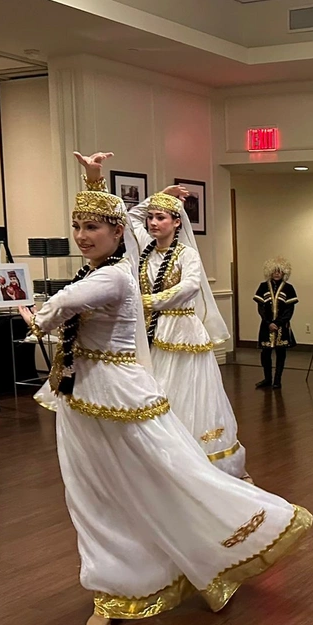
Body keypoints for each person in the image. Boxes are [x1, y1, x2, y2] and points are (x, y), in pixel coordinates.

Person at [19, 154, 311, 625]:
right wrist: (93, 180)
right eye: (76, 226)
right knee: (94, 494)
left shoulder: (113, 275)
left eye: (93, 226)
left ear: (116, 235)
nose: (82, 235)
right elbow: (127, 224)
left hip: (119, 395)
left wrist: (34, 314)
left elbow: (58, 310)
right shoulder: (126, 261)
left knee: (168, 475)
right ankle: (114, 585)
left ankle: (226, 540)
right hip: (80, 396)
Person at [113, 167, 250, 480]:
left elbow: (189, 286)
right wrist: (161, 194)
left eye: (161, 217)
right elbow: (132, 217)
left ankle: (197, 458)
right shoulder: (146, 249)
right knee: (157, 387)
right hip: (154, 330)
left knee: (188, 390)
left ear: (177, 222)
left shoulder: (186, 254)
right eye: (152, 217)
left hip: (182, 330)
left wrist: (150, 302)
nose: (153, 222)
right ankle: (160, 453)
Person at [253, 258, 297, 390]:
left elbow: (290, 310)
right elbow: (260, 307)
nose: (277, 274)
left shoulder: (289, 288)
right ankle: (267, 379)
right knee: (265, 353)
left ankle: (277, 380)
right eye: (274, 271)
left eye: (280, 271)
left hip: (282, 327)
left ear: (284, 273)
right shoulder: (263, 287)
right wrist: (268, 323)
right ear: (270, 272)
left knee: (280, 353)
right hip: (266, 326)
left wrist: (278, 323)